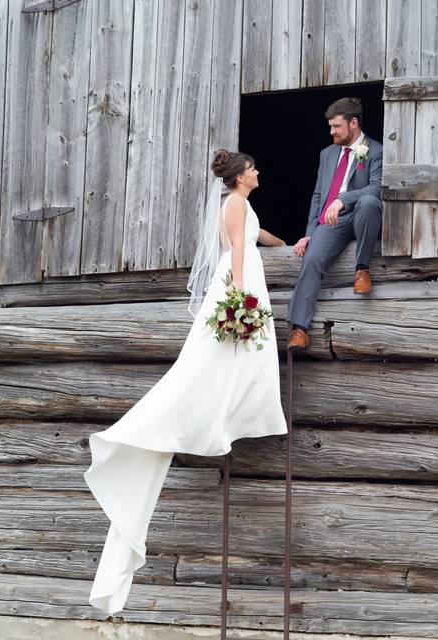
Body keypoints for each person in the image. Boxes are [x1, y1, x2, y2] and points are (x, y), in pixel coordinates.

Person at [84, 149, 289, 615]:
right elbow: (239, 250)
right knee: (207, 367)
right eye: (254, 168)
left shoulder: (241, 205)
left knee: (229, 366)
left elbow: (258, 236)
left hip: (243, 282)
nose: (259, 172)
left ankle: (227, 415)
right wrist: (243, 302)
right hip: (238, 287)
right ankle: (190, 421)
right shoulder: (234, 204)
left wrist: (289, 243)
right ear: (240, 178)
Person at [287, 97, 384, 351]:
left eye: (336, 126)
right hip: (332, 221)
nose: (331, 132)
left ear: (353, 123)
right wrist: (309, 233)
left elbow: (375, 189)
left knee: (370, 203)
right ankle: (299, 329)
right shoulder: (327, 154)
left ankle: (362, 270)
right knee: (312, 258)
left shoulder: (376, 150)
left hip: (361, 215)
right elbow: (318, 196)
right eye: (330, 126)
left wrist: (342, 199)